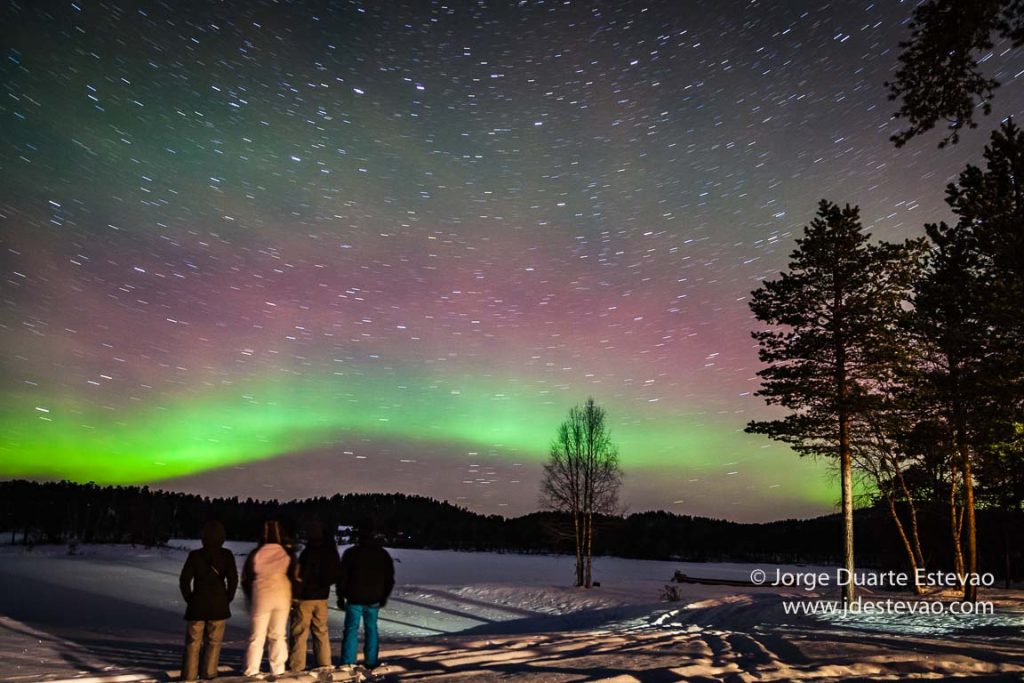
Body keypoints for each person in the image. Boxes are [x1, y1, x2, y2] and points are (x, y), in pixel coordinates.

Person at [179, 520, 238, 682]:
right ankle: (209, 675)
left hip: (197, 604)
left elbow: (184, 580)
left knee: (193, 643)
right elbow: (233, 579)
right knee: (214, 643)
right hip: (219, 605)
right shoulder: (226, 555)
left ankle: (189, 677)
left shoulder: (195, 555)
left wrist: (190, 599)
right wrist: (228, 598)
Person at [242, 520, 297, 678]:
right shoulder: (287, 553)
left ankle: (252, 671)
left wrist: (251, 596)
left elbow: (247, 577)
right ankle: (278, 669)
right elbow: (294, 576)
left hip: (261, 596)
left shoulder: (256, 553)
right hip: (282, 596)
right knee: (278, 635)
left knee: (256, 636)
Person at [335, 523, 394, 671]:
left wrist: (340, 596)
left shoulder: (351, 553)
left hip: (354, 597)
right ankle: (371, 660)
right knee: (371, 629)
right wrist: (384, 596)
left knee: (351, 629)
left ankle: (348, 662)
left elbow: (342, 577)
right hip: (374, 598)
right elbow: (389, 579)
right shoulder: (383, 554)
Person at [288, 520, 341, 672]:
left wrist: (296, 595)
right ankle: (324, 664)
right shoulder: (330, 550)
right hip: (322, 597)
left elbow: (302, 576)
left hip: (306, 598)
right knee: (321, 632)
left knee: (299, 632)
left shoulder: (308, 552)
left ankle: (297, 666)